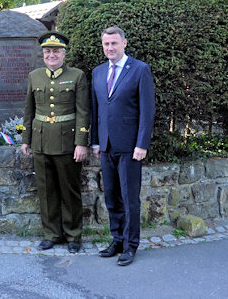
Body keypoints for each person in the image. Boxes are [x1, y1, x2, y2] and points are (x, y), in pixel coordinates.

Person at [91, 26, 155, 266]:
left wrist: (142, 144)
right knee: (111, 197)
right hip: (106, 146)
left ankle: (130, 245)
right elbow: (96, 111)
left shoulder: (139, 70)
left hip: (130, 148)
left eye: (114, 44)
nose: (110, 48)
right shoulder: (97, 72)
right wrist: (96, 141)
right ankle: (117, 239)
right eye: (106, 44)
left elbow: (147, 111)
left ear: (124, 43)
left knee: (129, 199)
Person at [21, 31, 90, 254]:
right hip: (41, 142)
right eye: (48, 51)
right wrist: (26, 140)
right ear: (43, 54)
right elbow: (28, 110)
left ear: (63, 53)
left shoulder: (77, 76)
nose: (52, 55)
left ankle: (73, 236)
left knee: (69, 191)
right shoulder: (35, 76)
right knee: (46, 191)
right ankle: (51, 234)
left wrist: (81, 142)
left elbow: (83, 112)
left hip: (67, 143)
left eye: (56, 51)